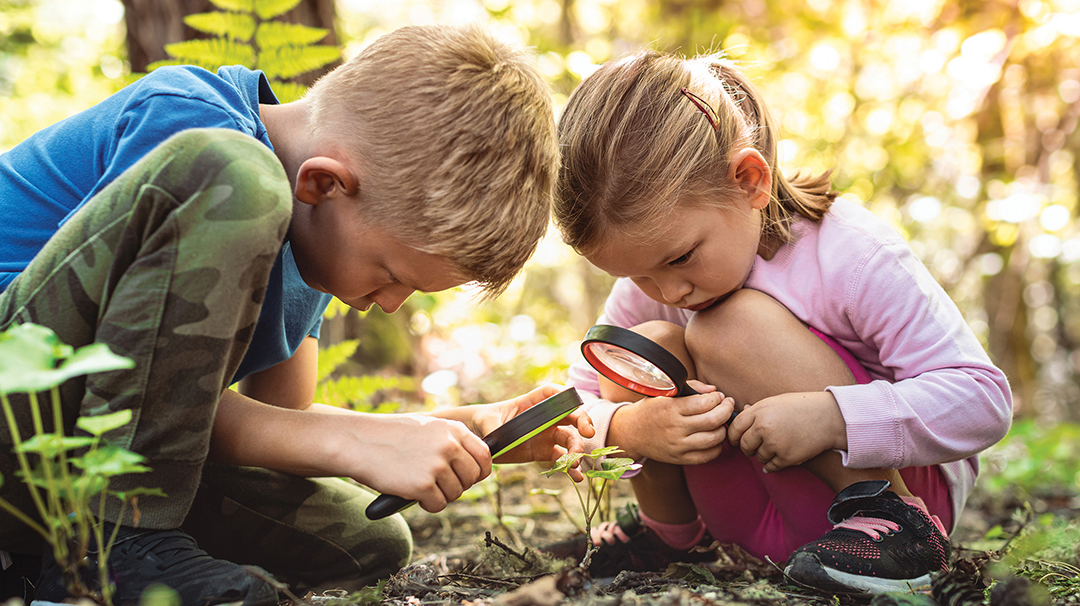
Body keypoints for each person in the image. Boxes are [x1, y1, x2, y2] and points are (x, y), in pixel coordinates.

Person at [0, 24, 594, 605]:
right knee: (238, 176)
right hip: (19, 381)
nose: (387, 303)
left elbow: (272, 423)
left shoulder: (315, 241)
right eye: (390, 275)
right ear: (323, 185)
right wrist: (357, 439)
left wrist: (456, 430)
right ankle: (111, 550)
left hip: (71, 453)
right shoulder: (202, 137)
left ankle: (38, 562)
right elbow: (113, 369)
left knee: (364, 540)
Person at [547, 49, 1013, 594]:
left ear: (748, 180)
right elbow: (573, 408)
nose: (667, 291)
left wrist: (831, 417)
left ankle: (895, 528)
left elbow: (982, 400)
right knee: (641, 344)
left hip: (892, 503)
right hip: (743, 522)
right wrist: (630, 429)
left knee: (730, 326)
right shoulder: (653, 280)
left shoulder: (849, 253)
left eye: (679, 259)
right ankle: (666, 534)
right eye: (636, 276)